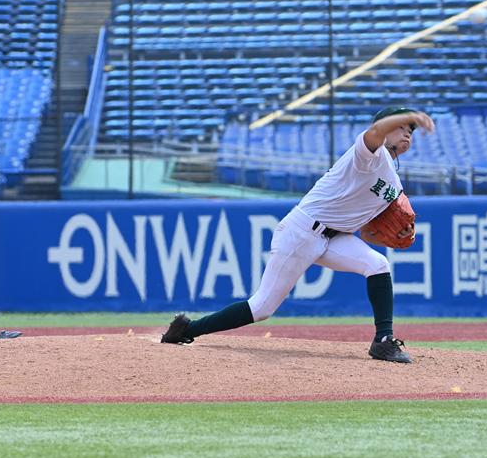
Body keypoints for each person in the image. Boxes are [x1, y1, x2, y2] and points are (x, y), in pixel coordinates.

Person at [161, 106, 436, 363]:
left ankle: (383, 341)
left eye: (410, 130)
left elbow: (368, 233)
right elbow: (374, 132)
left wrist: (400, 233)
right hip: (302, 231)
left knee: (378, 264)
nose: (407, 132)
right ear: (385, 128)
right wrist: (409, 116)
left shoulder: (394, 184)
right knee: (262, 308)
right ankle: (187, 328)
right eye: (401, 126)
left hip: (335, 238)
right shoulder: (368, 156)